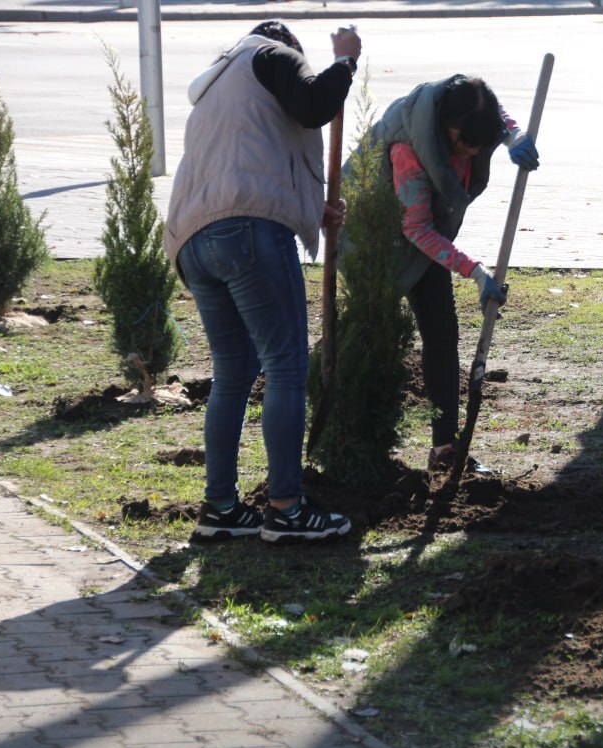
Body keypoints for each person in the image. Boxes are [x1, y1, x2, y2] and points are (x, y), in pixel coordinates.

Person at [165, 21, 359, 543]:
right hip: (247, 232)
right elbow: (314, 105)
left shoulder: (216, 84)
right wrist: (344, 60)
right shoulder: (272, 55)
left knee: (233, 372)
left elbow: (247, 161)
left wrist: (310, 209)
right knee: (287, 366)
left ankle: (222, 508)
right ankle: (287, 509)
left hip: (192, 240)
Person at [347, 74, 539, 473]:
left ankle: (444, 450)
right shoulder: (407, 149)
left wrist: (513, 137)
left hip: (424, 233)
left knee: (441, 334)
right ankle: (352, 445)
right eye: (464, 146)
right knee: (367, 341)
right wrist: (474, 270)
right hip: (373, 240)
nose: (468, 157)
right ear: (447, 127)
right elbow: (415, 229)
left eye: (477, 148)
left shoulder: (467, 104)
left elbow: (492, 110)